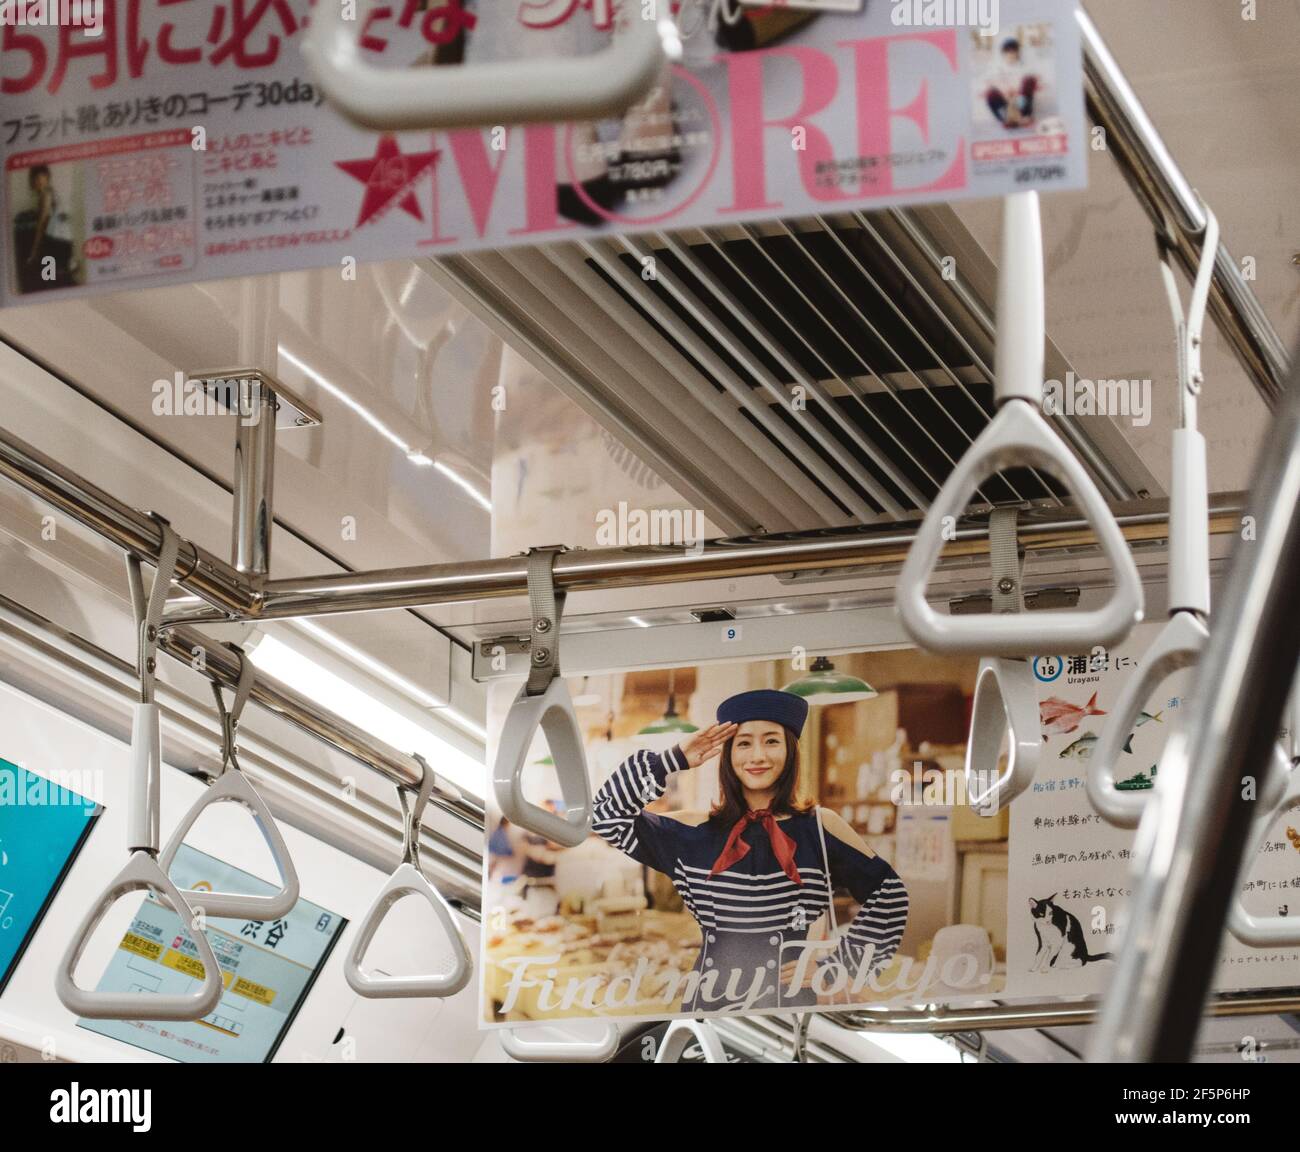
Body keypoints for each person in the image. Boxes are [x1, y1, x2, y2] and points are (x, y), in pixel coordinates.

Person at [592, 689, 908, 1013]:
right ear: (728, 753)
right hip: (711, 1009)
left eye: (771, 741)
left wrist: (838, 968)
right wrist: (671, 760)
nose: (757, 755)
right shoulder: (693, 831)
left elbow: (890, 896)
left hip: (788, 1009)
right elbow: (605, 816)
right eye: (744, 743)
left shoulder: (819, 827)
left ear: (790, 750)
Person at [984, 37, 1039, 129]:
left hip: (1020, 101)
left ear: (1018, 52)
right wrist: (1004, 90)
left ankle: (1023, 116)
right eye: (1007, 51)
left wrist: (1017, 91)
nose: (1010, 53)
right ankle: (1008, 119)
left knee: (1029, 80)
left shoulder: (1025, 67)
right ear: (1003, 53)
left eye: (1013, 50)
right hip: (1005, 100)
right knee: (990, 93)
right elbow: (989, 82)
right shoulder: (996, 67)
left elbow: (1033, 81)